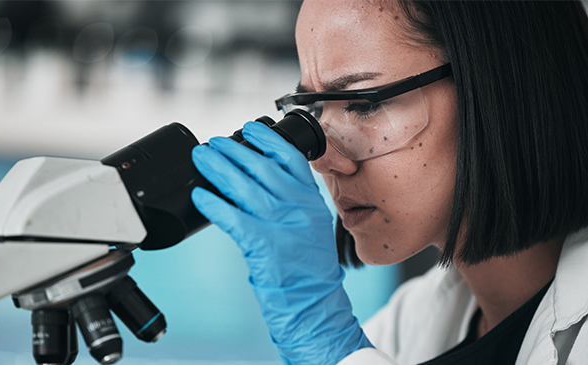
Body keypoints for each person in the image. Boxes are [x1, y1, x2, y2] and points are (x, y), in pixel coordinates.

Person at [191, 0, 588, 364]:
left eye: (366, 103)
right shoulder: (408, 325)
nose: (324, 162)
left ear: (498, 88)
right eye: (313, 109)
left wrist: (326, 340)